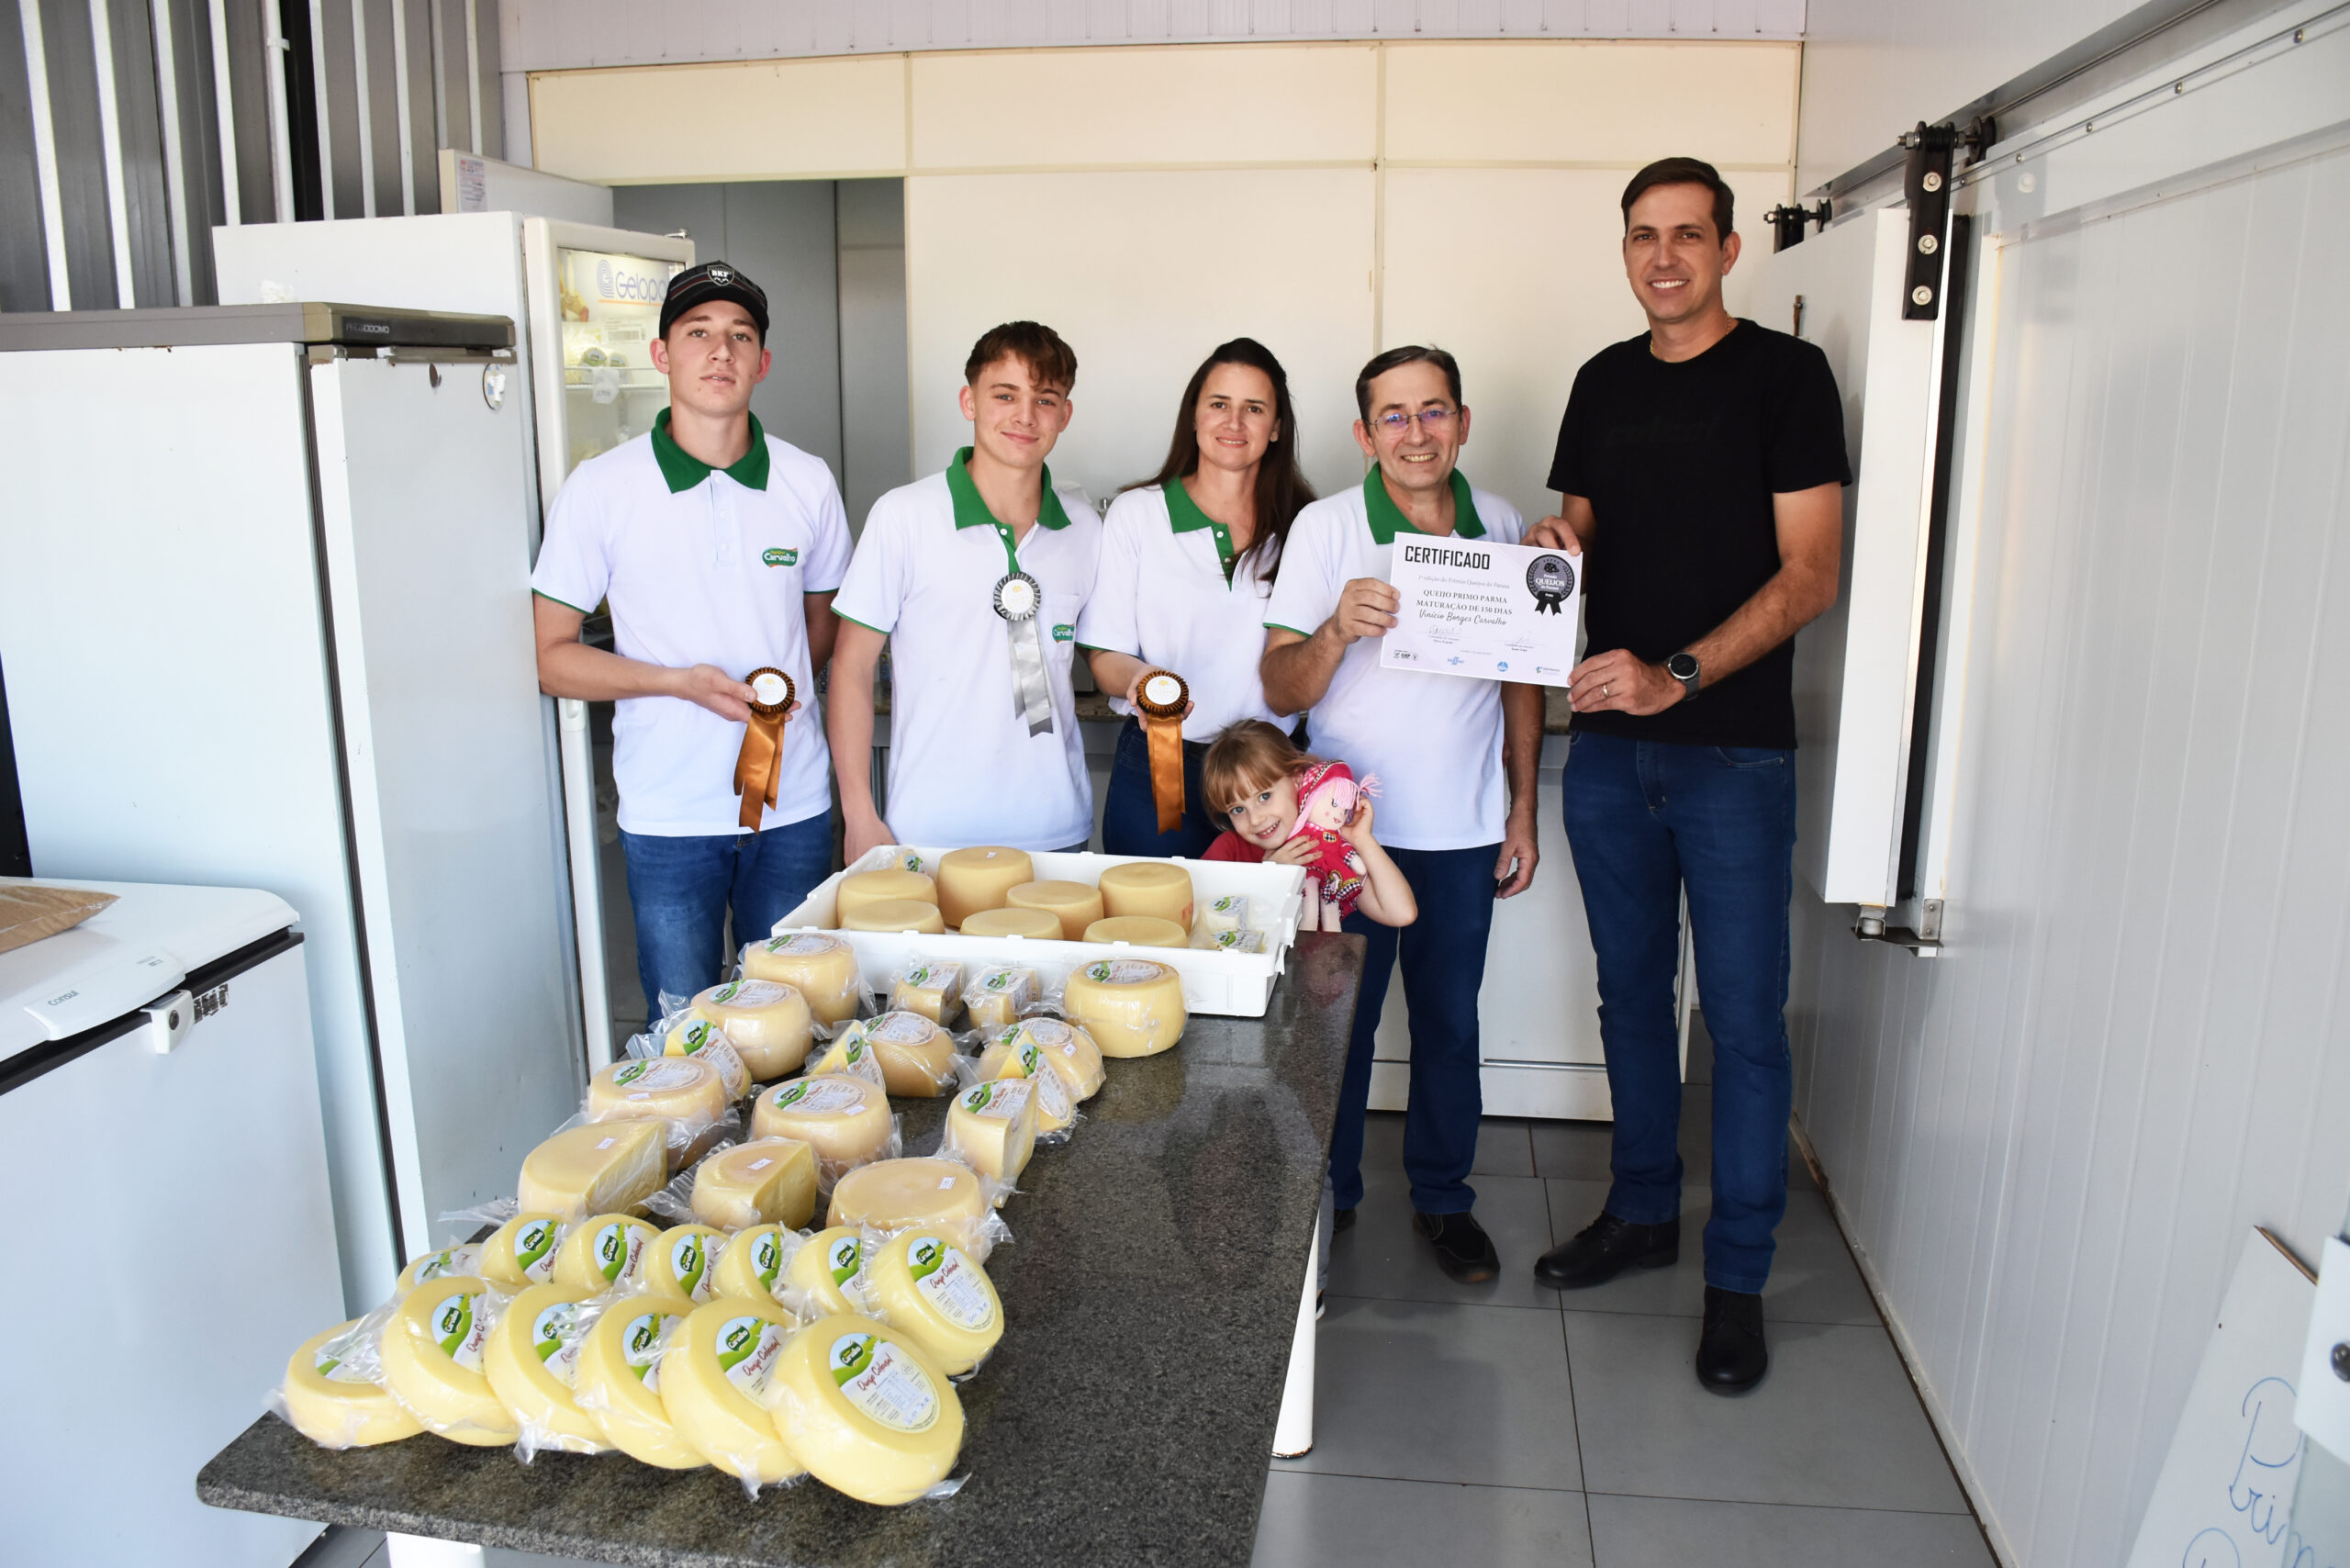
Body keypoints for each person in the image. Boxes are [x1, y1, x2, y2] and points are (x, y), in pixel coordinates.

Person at [1525, 156, 1850, 1394]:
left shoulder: (1787, 378)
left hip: (1733, 752)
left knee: (1745, 1021)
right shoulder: (1601, 381)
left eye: (1686, 235)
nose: (1662, 257)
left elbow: (1811, 573)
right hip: (1611, 751)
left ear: (1727, 249)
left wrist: (1676, 674)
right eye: (1642, 236)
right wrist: (1554, 548)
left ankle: (1739, 1276)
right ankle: (1643, 1211)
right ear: (1625, 251)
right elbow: (1583, 529)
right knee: (1629, 996)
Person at [1260, 345, 1542, 1284]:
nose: (1416, 433)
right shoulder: (1326, 528)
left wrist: (1522, 807)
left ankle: (1444, 1198)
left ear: (1462, 422)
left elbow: (1522, 680)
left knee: (1449, 1024)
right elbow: (1278, 684)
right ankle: (1330, 1194)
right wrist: (1336, 629)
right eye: (1394, 415)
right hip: (1348, 837)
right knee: (1336, 1029)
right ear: (1363, 433)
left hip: (1463, 829)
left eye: (1433, 411)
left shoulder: (1503, 523)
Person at [532, 261, 851, 1012]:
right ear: (661, 354)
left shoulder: (807, 480)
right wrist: (676, 683)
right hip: (669, 812)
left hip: (793, 807)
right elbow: (551, 659)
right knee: (685, 1025)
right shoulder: (601, 488)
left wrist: (770, 698)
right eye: (698, 333)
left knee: (802, 1017)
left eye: (740, 336)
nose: (720, 351)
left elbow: (824, 622)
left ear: (762, 362)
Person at [828, 321, 1102, 857]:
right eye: (1005, 395)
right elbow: (851, 668)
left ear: (1065, 414)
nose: (1025, 415)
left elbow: (1105, 654)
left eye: (1045, 399)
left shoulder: (1085, 528)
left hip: (1055, 828)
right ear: (969, 401)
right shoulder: (903, 516)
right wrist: (858, 813)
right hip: (928, 830)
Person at [1077, 339, 1316, 857]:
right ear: (1194, 415)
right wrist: (1143, 681)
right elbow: (1104, 654)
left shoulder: (1306, 525)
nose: (1235, 422)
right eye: (1219, 404)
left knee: (1270, 910)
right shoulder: (1137, 514)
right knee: (1156, 907)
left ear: (1277, 427)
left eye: (1254, 408)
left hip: (1268, 777)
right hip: (1162, 762)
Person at [1200, 719, 1416, 931]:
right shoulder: (1228, 849)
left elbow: (1401, 913)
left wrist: (1362, 839)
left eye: (1264, 796)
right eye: (1237, 810)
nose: (1255, 819)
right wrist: (1268, 877)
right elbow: (1200, 919)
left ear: (1297, 778)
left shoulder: (1328, 845)